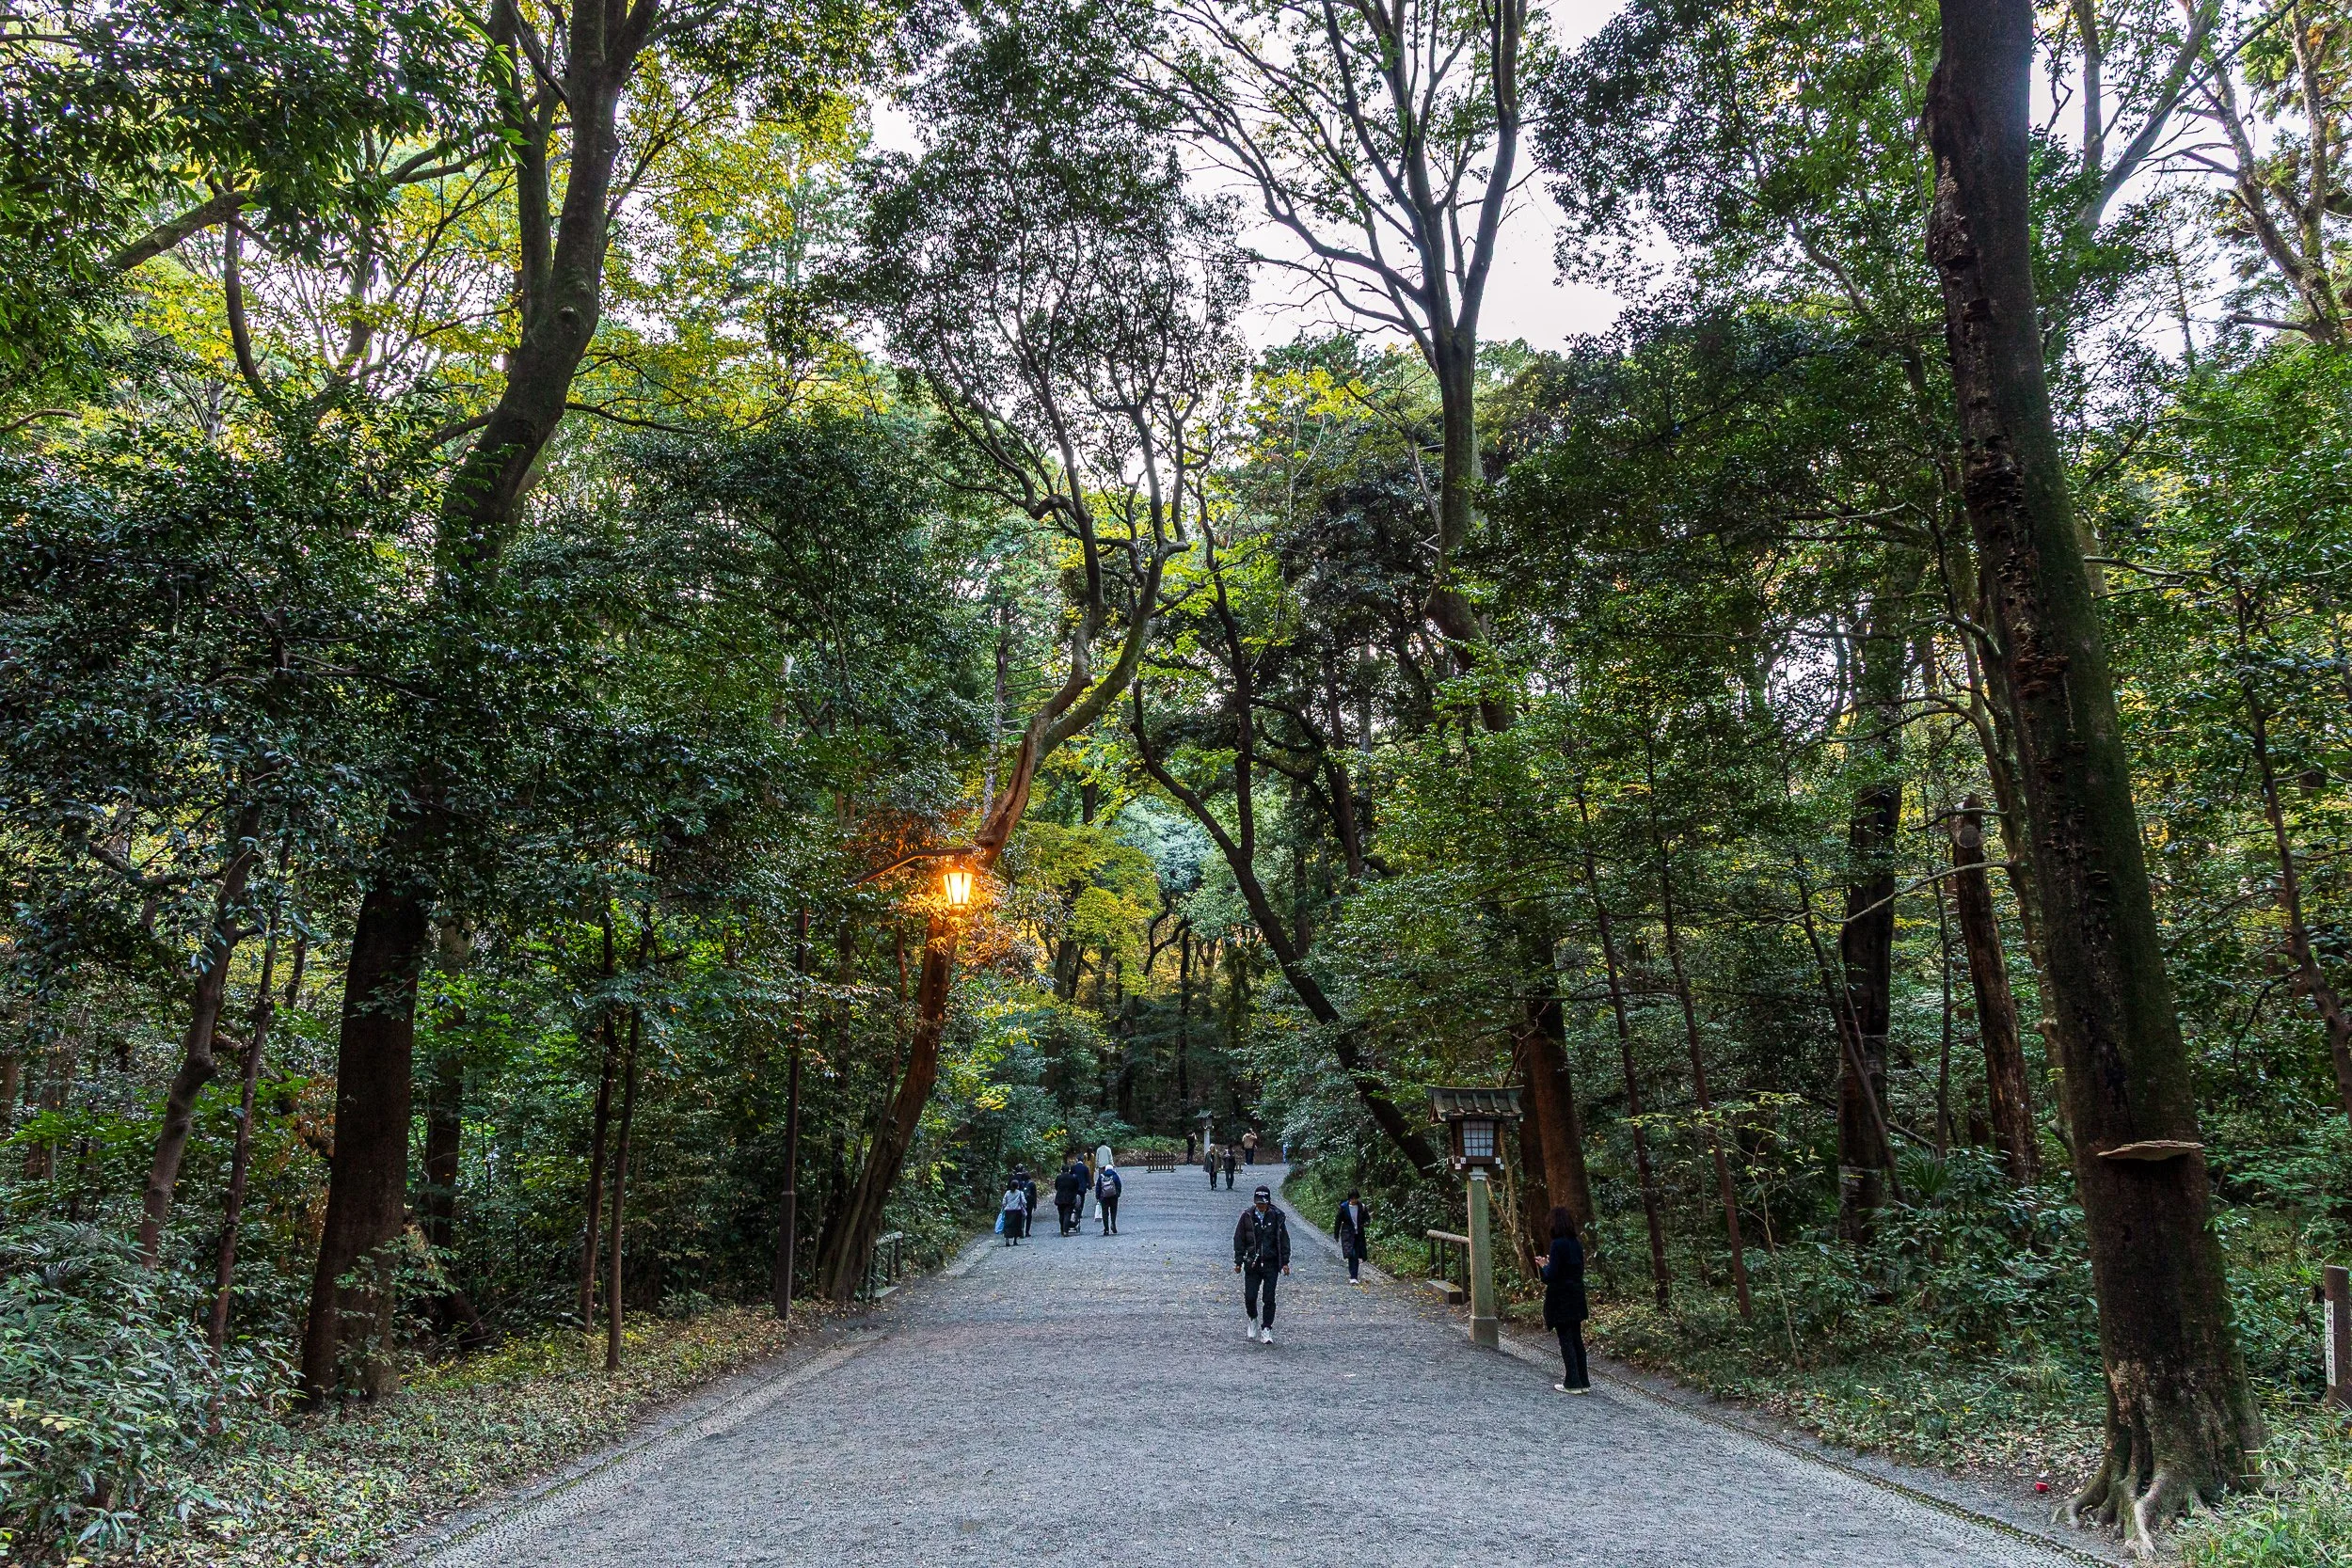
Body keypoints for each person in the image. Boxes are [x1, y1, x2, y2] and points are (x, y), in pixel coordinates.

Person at [1539, 1205, 1589, 1393]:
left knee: (1566, 1339)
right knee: (1577, 1338)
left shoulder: (1557, 1244)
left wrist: (1545, 1265)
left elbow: (1551, 1275)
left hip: (1561, 1296)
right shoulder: (1576, 1243)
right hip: (1576, 1293)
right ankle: (1583, 1380)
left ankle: (1572, 1382)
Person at [1232, 1185, 1291, 1343]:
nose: (1261, 1206)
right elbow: (1239, 1240)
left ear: (1269, 1202)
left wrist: (1285, 1262)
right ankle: (1253, 1318)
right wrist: (1238, 1261)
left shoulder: (1277, 1216)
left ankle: (1267, 1329)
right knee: (1250, 1297)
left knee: (1269, 1297)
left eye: (1263, 1203)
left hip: (1271, 1263)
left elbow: (1284, 1240)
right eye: (1258, 1203)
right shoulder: (1247, 1216)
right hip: (1252, 1263)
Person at [1333, 1189, 1370, 1286]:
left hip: (1358, 1234)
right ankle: (1353, 1275)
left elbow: (1367, 1218)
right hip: (1347, 1234)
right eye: (1352, 1198)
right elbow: (1338, 1221)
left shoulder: (1362, 1207)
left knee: (1356, 1254)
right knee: (1351, 1254)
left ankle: (1354, 1276)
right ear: (1349, 1198)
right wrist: (1336, 1234)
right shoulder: (1344, 1207)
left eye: (1355, 1198)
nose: (1354, 1200)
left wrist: (1366, 1223)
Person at [1053, 1161, 1081, 1236]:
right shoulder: (1073, 1177)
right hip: (1070, 1198)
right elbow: (1076, 1187)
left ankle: (1062, 1229)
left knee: (1061, 1214)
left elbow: (1056, 1186)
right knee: (1067, 1214)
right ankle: (1065, 1230)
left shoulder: (1058, 1177)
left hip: (1060, 1198)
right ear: (1068, 1170)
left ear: (1061, 1170)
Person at [1095, 1160, 1123, 1235]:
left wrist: (1098, 1196)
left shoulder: (1101, 1176)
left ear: (1105, 1169)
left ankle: (1106, 1229)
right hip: (1113, 1196)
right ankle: (1113, 1223)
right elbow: (1119, 1185)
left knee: (1105, 1212)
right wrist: (1118, 1194)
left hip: (1104, 1197)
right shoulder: (1115, 1175)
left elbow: (1098, 1187)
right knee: (1113, 1211)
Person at [999, 1180, 1028, 1246]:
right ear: (1018, 1186)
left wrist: (1004, 1207)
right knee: (1017, 1226)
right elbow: (1024, 1202)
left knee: (1008, 1225)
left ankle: (1007, 1241)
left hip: (1008, 1211)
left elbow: (1004, 1202)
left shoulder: (1007, 1193)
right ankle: (1015, 1240)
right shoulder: (1020, 1193)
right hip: (1017, 1211)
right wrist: (1025, 1206)